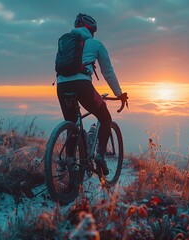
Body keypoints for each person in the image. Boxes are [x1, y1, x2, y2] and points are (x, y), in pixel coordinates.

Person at [56, 13, 127, 176]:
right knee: (105, 118)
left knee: (72, 123)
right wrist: (119, 94)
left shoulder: (65, 42)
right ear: (92, 30)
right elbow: (108, 72)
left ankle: (69, 161)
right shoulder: (96, 44)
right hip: (82, 86)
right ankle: (100, 156)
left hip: (61, 85)